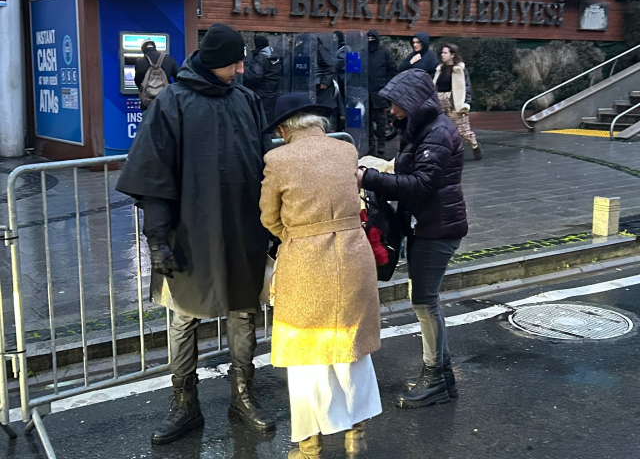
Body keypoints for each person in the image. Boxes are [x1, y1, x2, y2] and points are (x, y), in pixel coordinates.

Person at [116, 23, 276, 445]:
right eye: (235, 62)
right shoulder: (171, 103)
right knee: (183, 316)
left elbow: (265, 164)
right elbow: (151, 174)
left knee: (244, 311)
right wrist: (157, 239)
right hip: (189, 230)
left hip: (243, 228)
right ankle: (184, 404)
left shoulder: (246, 100)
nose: (242, 69)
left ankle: (243, 396)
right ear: (214, 61)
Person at [260, 93, 382, 458]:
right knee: (351, 348)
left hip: (305, 262)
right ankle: (355, 434)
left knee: (305, 354)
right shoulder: (346, 151)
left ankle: (310, 446)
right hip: (352, 255)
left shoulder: (277, 159)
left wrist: (296, 235)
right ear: (318, 122)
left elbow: (269, 216)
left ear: (284, 129)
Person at [358, 69, 468, 409]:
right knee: (426, 300)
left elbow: (422, 183)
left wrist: (368, 177)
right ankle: (444, 377)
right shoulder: (423, 128)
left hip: (438, 228)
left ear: (414, 102)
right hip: (429, 224)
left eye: (396, 104)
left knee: (423, 302)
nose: (391, 111)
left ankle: (434, 377)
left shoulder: (437, 132)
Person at [434, 44, 482, 160]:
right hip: (440, 103)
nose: (442, 55)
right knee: (443, 129)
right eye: (442, 52)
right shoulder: (440, 69)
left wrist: (467, 103)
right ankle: (448, 152)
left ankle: (475, 145)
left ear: (452, 54)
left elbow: (466, 86)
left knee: (463, 130)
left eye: (445, 53)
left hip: (455, 103)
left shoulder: (459, 69)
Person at [367, 30, 398, 158]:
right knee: (367, 123)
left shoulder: (383, 53)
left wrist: (385, 85)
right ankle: (370, 146)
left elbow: (393, 69)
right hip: (365, 94)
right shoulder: (363, 53)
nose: (370, 40)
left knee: (381, 122)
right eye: (368, 38)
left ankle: (381, 145)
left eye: (372, 38)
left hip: (379, 93)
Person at [243, 35, 281, 123]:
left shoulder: (261, 58)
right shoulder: (273, 56)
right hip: (270, 93)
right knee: (267, 120)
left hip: (261, 94)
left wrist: (244, 67)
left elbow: (255, 76)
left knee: (259, 120)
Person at [134, 39, 179, 110]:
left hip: (147, 101)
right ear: (154, 47)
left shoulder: (140, 61)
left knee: (148, 119)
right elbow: (178, 77)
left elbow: (137, 81)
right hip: (165, 98)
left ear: (143, 49)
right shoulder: (168, 58)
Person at [315, 36, 338, 131]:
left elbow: (330, 66)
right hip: (315, 87)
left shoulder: (319, 49)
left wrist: (325, 82)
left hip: (321, 89)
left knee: (324, 115)